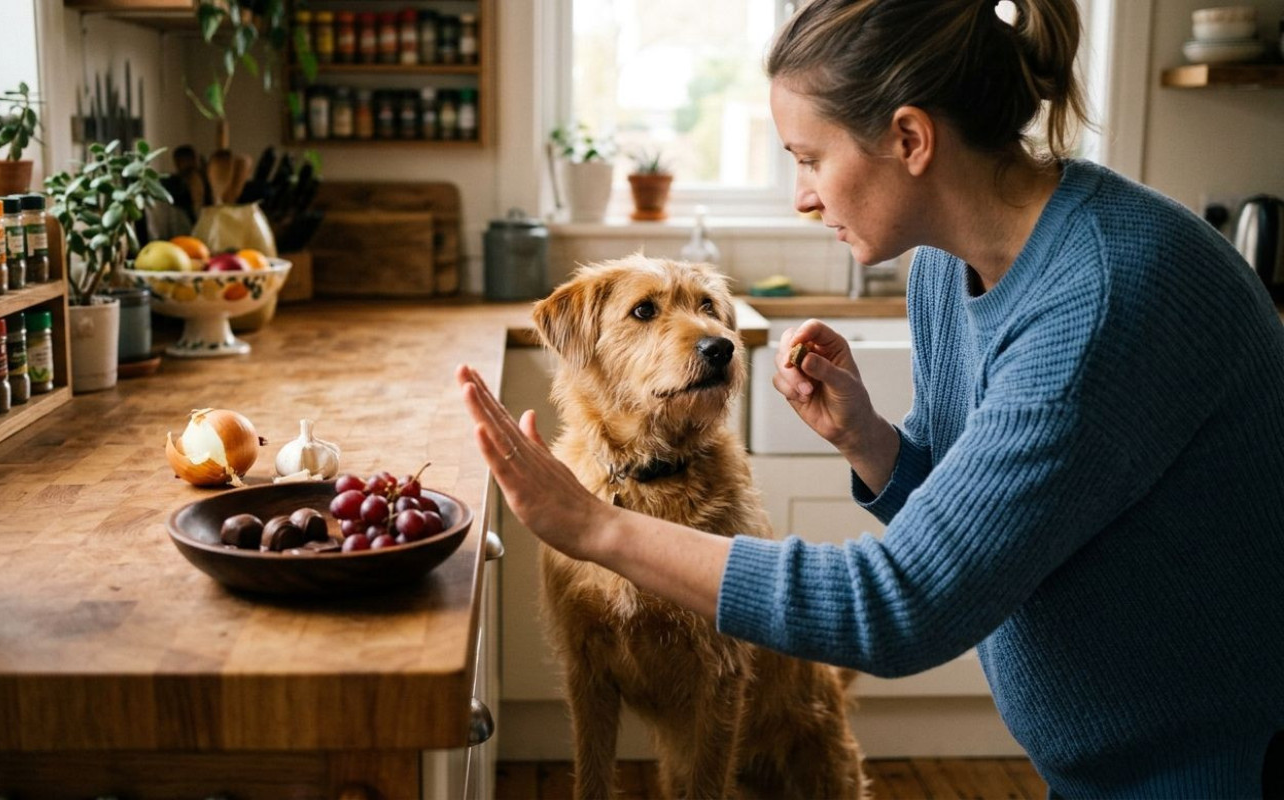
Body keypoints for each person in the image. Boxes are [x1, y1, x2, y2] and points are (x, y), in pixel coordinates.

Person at [458, 0, 1284, 796]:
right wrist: (872, 443)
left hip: (1219, 770)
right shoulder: (942, 264)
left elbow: (900, 604)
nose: (802, 197)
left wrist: (595, 527)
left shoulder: (1105, 292)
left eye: (810, 159)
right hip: (1104, 766)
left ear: (910, 139)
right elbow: (981, 523)